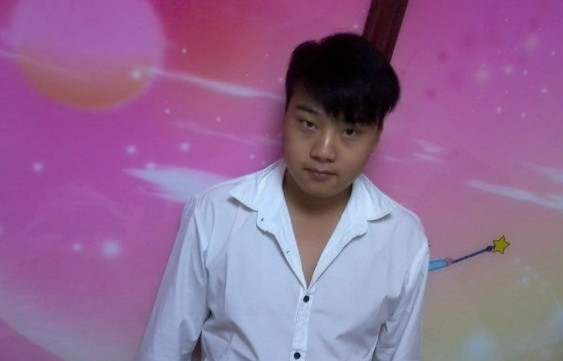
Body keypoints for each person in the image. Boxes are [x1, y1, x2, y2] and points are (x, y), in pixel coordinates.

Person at [137, 33, 430, 361]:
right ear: (285, 116)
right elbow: (165, 347)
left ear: (376, 137)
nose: (323, 151)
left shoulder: (403, 238)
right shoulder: (216, 212)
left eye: (350, 131)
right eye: (308, 124)